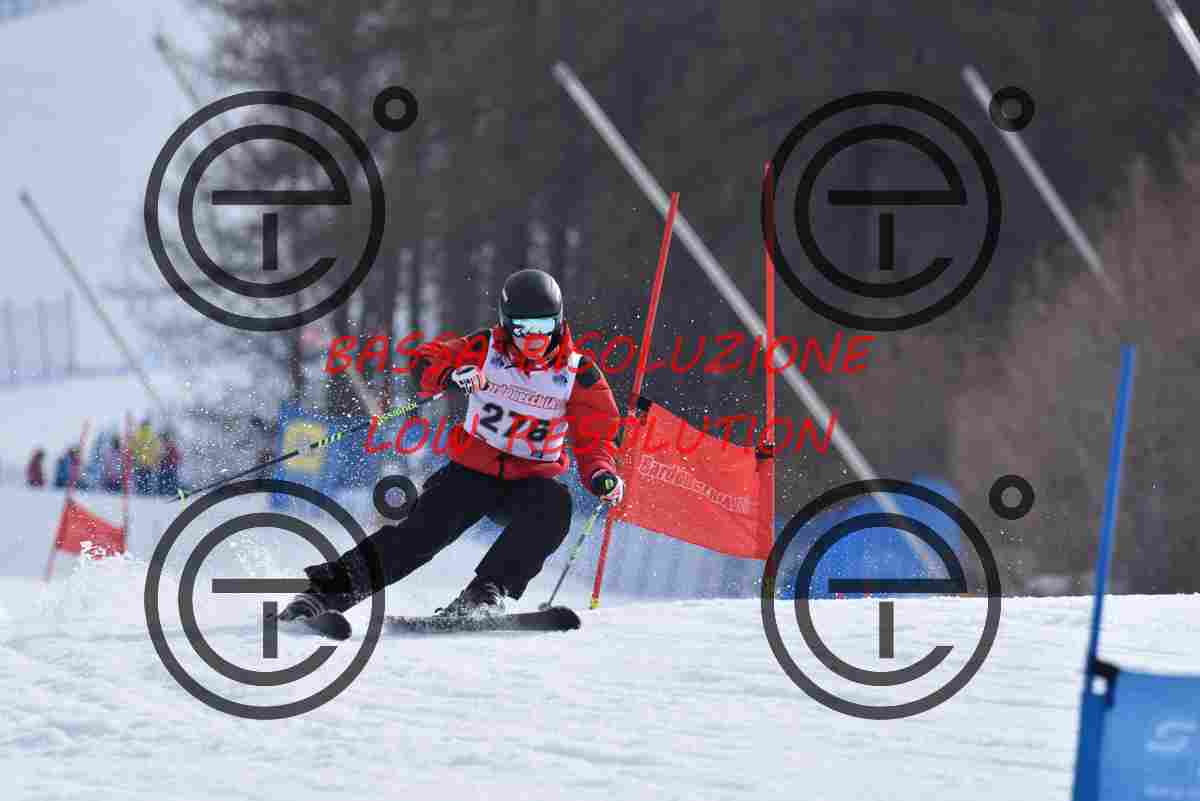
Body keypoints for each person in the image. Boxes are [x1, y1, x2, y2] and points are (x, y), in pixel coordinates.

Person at [279, 268, 625, 622]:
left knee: (555, 505)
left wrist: (601, 473)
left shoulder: (577, 374)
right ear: (506, 323)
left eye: (544, 326)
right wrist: (450, 375)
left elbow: (597, 438)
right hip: (471, 474)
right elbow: (424, 360)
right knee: (417, 539)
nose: (534, 337)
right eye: (523, 328)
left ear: (559, 321)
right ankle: (322, 596)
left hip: (529, 482)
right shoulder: (484, 348)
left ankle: (484, 594)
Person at [131, 419, 162, 495]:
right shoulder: (152, 435)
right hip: (149, 463)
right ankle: (147, 492)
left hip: (140, 462)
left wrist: (136, 457)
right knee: (147, 480)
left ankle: (141, 492)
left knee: (140, 480)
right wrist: (154, 460)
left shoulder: (138, 434)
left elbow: (133, 447)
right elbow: (156, 448)